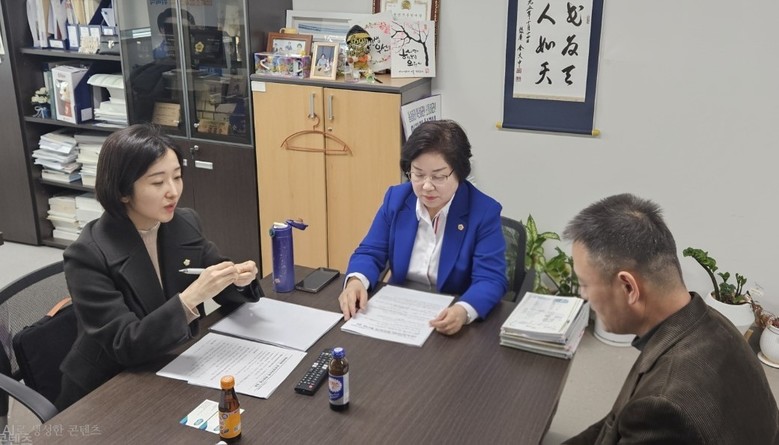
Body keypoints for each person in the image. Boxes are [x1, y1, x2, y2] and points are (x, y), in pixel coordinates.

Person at [56, 124, 261, 410]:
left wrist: (238, 280)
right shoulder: (87, 255)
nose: (173, 192)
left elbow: (218, 278)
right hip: (107, 387)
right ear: (123, 191)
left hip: (171, 363)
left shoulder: (183, 222)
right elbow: (125, 344)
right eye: (157, 183)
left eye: (177, 177)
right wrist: (190, 299)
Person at [562, 193, 779, 444]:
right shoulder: (712, 325)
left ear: (628, 288)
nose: (583, 295)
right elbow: (613, 423)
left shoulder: (663, 409)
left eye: (585, 284)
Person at [337, 120, 507, 335]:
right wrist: (356, 281)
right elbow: (371, 252)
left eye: (438, 176)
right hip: (398, 312)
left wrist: (463, 310)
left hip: (449, 316)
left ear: (459, 173)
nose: (426, 186)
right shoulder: (396, 199)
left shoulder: (483, 212)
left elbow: (491, 279)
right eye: (418, 174)